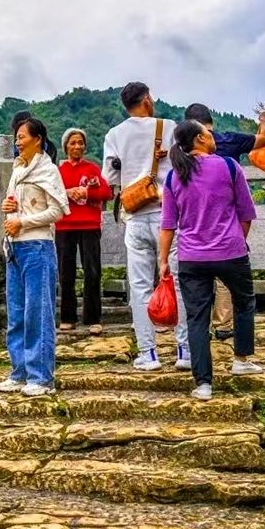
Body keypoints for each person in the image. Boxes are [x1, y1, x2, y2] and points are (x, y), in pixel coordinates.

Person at [160, 120, 265, 401]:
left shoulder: (173, 177)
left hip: (191, 257)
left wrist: (163, 261)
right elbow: (246, 214)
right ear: (199, 139)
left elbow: (168, 225)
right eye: (208, 133)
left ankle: (203, 384)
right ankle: (241, 360)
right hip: (231, 252)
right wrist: (237, 241)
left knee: (197, 318)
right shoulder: (229, 167)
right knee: (244, 302)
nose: (212, 136)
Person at [102, 82, 189, 372]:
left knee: (139, 287)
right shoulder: (169, 127)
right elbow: (182, 168)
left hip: (136, 216)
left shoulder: (115, 134)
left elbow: (110, 177)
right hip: (169, 216)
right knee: (178, 282)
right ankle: (184, 350)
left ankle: (148, 354)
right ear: (147, 100)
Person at [183, 104, 265, 342]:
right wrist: (264, 120)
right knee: (227, 269)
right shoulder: (228, 140)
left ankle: (195, 327)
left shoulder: (181, 149)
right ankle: (223, 324)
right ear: (210, 122)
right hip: (228, 217)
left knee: (197, 275)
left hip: (193, 218)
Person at [0, 118, 69, 397]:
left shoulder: (47, 170)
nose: (18, 140)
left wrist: (23, 222)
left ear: (38, 139)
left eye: (23, 136)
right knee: (17, 313)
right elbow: (16, 205)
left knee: (38, 312)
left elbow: (58, 210)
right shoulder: (18, 169)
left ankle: (41, 377)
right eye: (16, 136)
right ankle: (20, 371)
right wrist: (8, 207)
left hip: (38, 246)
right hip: (15, 247)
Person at [56, 128, 113, 334]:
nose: (77, 146)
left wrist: (87, 192)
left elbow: (107, 192)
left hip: (89, 225)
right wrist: (67, 192)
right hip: (64, 226)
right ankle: (68, 317)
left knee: (92, 271)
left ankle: (92, 318)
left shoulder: (92, 169)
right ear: (66, 147)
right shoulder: (58, 172)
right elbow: (51, 194)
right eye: (72, 143)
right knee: (65, 273)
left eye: (80, 142)